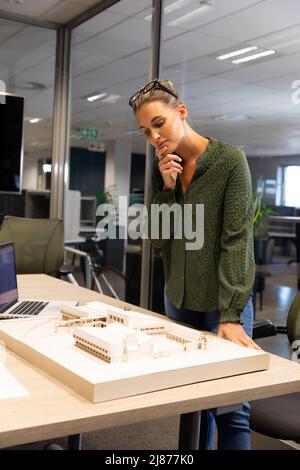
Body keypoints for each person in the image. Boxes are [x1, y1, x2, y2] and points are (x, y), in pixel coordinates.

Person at [129, 79, 260, 450]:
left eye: (159, 123)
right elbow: (158, 238)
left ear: (181, 113)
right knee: (192, 408)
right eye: (145, 131)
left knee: (232, 411)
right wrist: (167, 189)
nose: (154, 137)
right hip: (179, 299)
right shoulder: (162, 168)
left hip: (223, 304)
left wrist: (231, 316)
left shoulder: (230, 162)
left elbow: (237, 240)